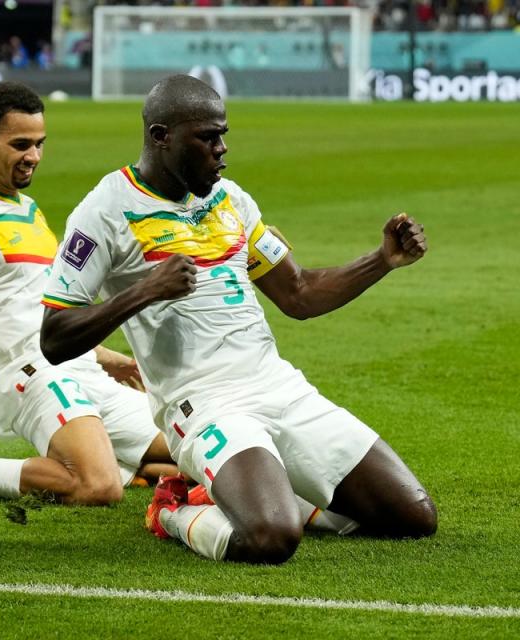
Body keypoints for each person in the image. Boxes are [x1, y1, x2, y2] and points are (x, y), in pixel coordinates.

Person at [39, 74, 437, 563]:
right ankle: (173, 508)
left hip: (276, 386)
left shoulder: (231, 200)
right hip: (202, 405)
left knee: (414, 516)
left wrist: (381, 260)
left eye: (222, 134)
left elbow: (300, 293)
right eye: (207, 137)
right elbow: (54, 337)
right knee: (271, 538)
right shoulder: (104, 211)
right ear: (161, 136)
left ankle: (278, 492)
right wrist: (144, 291)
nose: (221, 149)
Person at [0, 81, 178, 505]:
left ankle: (123, 463)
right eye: (20, 144)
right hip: (34, 373)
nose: (33, 156)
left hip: (80, 368)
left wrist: (107, 358)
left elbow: (33, 304)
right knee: (98, 487)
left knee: (189, 448)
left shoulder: (28, 210)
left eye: (39, 144)